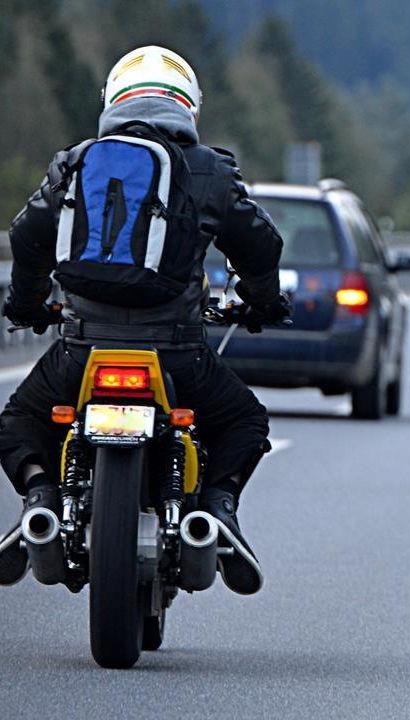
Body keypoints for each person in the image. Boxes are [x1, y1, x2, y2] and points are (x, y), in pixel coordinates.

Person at [0, 46, 288, 595]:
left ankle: (39, 502)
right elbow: (260, 245)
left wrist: (28, 305)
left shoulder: (77, 162)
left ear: (113, 99)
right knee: (245, 421)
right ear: (188, 106)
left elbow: (26, 237)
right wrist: (262, 301)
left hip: (83, 348)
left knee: (17, 421)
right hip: (177, 352)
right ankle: (219, 512)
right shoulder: (209, 171)